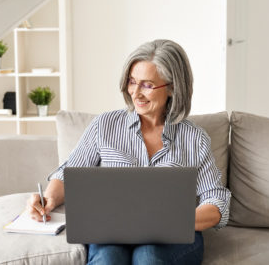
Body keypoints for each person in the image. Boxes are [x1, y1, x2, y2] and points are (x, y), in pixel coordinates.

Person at [26, 39, 231, 264]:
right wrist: (47, 200)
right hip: (111, 231)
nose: (136, 93)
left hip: (173, 238)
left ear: (172, 87)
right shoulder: (105, 125)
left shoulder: (194, 138)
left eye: (147, 85)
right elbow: (68, 172)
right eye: (132, 82)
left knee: (148, 257)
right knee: (108, 259)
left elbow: (216, 198)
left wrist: (174, 220)